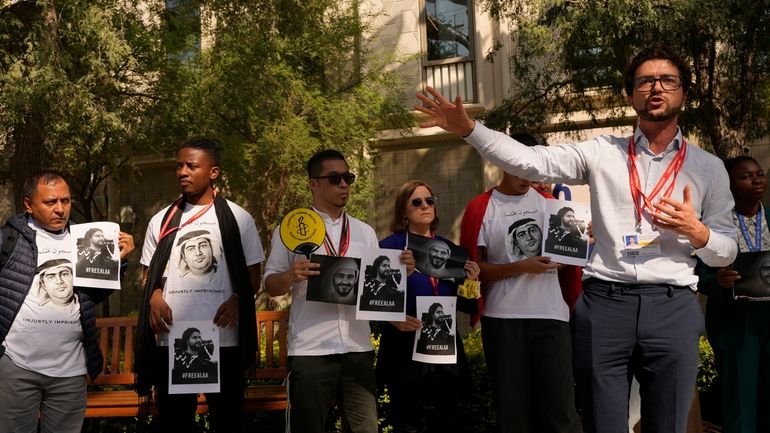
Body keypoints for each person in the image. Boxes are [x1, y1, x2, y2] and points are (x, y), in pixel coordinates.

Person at [417, 45, 737, 433]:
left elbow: (726, 251)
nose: (656, 88)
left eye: (667, 80)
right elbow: (531, 161)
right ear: (629, 94)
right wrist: (470, 129)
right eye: (645, 81)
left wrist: (699, 233)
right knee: (602, 423)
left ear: (683, 92)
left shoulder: (709, 168)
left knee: (668, 423)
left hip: (671, 305)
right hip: (605, 304)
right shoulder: (602, 152)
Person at [264, 149, 414, 433]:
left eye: (348, 177)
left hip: (358, 348)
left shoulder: (364, 231)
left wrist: (400, 270)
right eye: (334, 178)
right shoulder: (290, 229)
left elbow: (375, 288)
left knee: (366, 428)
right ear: (313, 184)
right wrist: (290, 275)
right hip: (311, 348)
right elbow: (270, 285)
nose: (343, 184)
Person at [135, 138, 265, 433]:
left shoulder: (238, 218)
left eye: (191, 166)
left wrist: (236, 300)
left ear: (213, 172)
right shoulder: (162, 220)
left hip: (224, 341)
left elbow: (252, 275)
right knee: (175, 420)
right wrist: (154, 295)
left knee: (228, 419)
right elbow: (148, 274)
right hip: (175, 339)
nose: (183, 171)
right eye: (179, 165)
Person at [0, 170, 135, 433]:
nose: (60, 209)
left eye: (66, 200)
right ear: (28, 205)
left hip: (70, 371)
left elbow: (91, 296)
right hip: (17, 366)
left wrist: (120, 262)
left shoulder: (85, 239)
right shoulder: (8, 239)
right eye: (50, 202)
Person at [467, 146, 581, 433]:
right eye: (521, 169)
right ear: (504, 163)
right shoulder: (482, 206)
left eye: (533, 169)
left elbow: (568, 265)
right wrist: (521, 266)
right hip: (503, 318)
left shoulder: (552, 204)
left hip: (551, 316)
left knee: (561, 410)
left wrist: (574, 250)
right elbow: (474, 268)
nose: (527, 177)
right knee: (512, 412)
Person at [377, 179, 480, 433]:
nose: (425, 206)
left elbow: (467, 306)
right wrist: (400, 280)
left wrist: (472, 282)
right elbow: (373, 298)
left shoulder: (450, 250)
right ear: (403, 211)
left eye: (430, 200)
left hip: (443, 342)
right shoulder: (390, 247)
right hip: (405, 343)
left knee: (448, 420)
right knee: (407, 420)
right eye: (417, 202)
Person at [696, 156, 770, 433]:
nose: (756, 180)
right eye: (746, 176)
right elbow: (697, 276)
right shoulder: (714, 227)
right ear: (728, 185)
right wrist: (717, 281)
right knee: (740, 401)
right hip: (736, 322)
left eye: (759, 174)